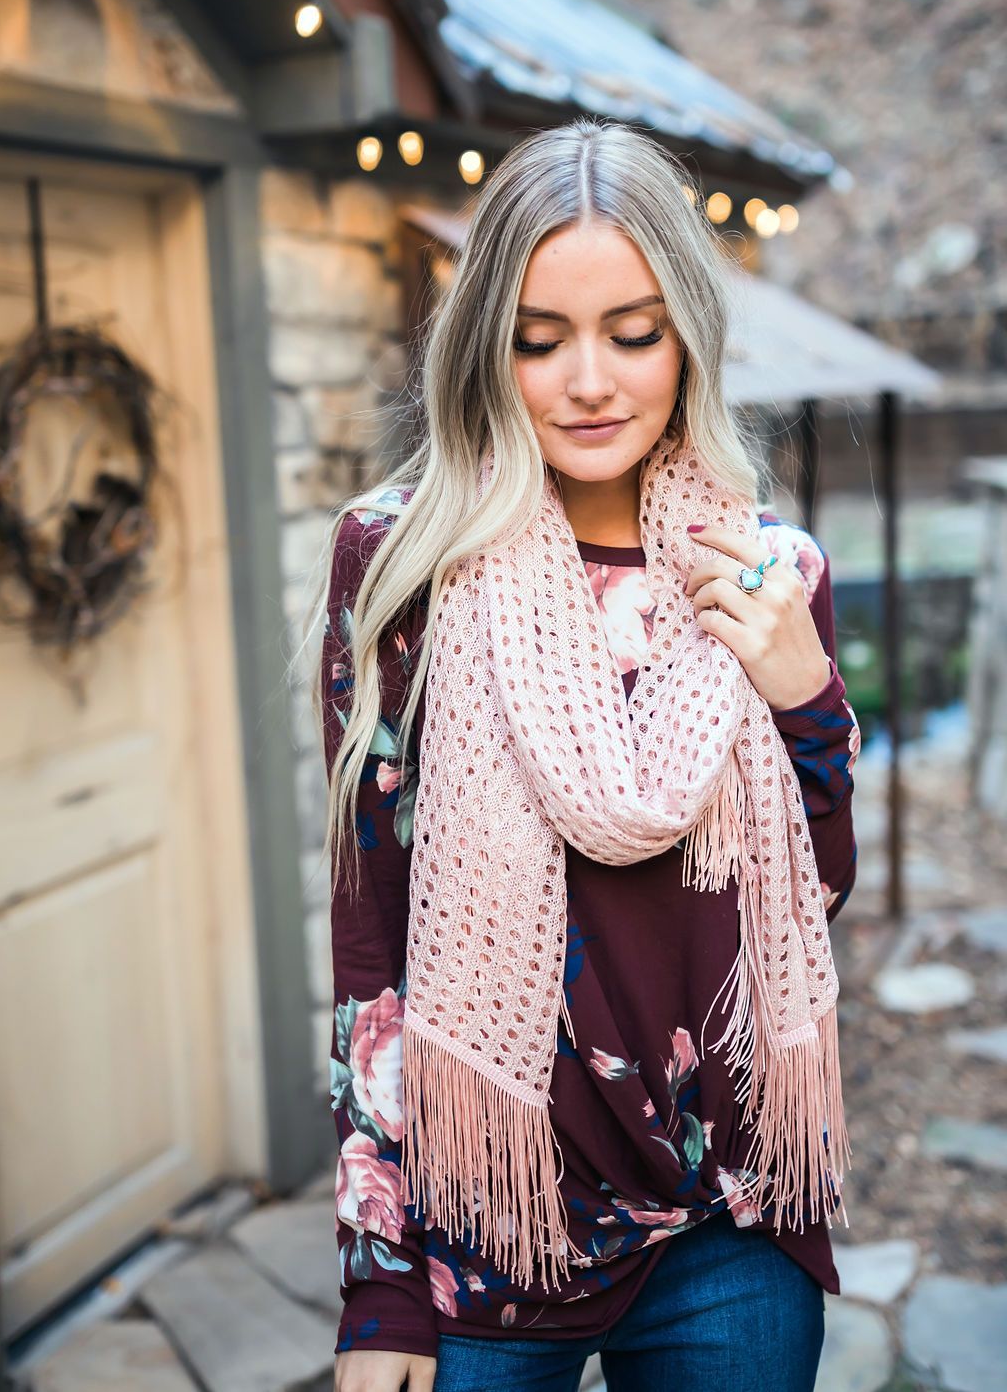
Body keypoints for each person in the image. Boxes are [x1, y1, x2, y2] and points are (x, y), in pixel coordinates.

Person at [304, 118, 859, 1392]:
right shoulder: (398, 561)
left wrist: (805, 694)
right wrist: (378, 1278)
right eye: (539, 338)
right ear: (485, 344)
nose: (589, 381)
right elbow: (369, 931)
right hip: (487, 1224)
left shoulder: (766, 572)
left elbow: (813, 896)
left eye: (634, 332)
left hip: (730, 1227)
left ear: (687, 336)